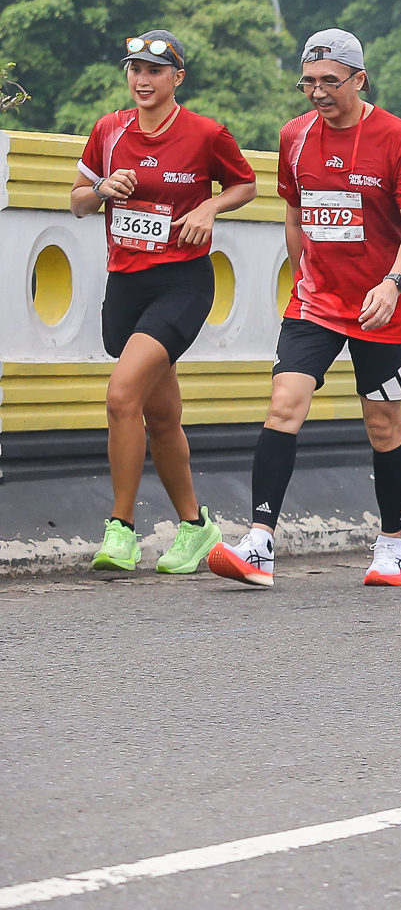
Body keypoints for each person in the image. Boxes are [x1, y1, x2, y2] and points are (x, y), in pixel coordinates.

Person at [208, 30, 401, 590]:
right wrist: (301, 275)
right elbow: (294, 212)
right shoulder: (295, 135)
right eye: (308, 82)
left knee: (383, 425)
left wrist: (394, 282)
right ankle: (259, 543)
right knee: (284, 404)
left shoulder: (397, 137)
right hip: (314, 302)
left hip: (380, 307)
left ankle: (391, 546)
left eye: (330, 81)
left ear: (360, 80)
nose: (317, 92)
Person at [73, 31, 258, 574]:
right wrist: (102, 189)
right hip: (125, 284)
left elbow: (246, 185)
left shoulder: (205, 133)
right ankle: (196, 527)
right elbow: (78, 201)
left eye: (155, 70)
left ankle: (121, 530)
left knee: (122, 395)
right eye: (135, 69)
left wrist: (209, 207)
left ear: (178, 77)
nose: (143, 79)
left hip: (182, 283)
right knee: (161, 415)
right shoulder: (109, 130)